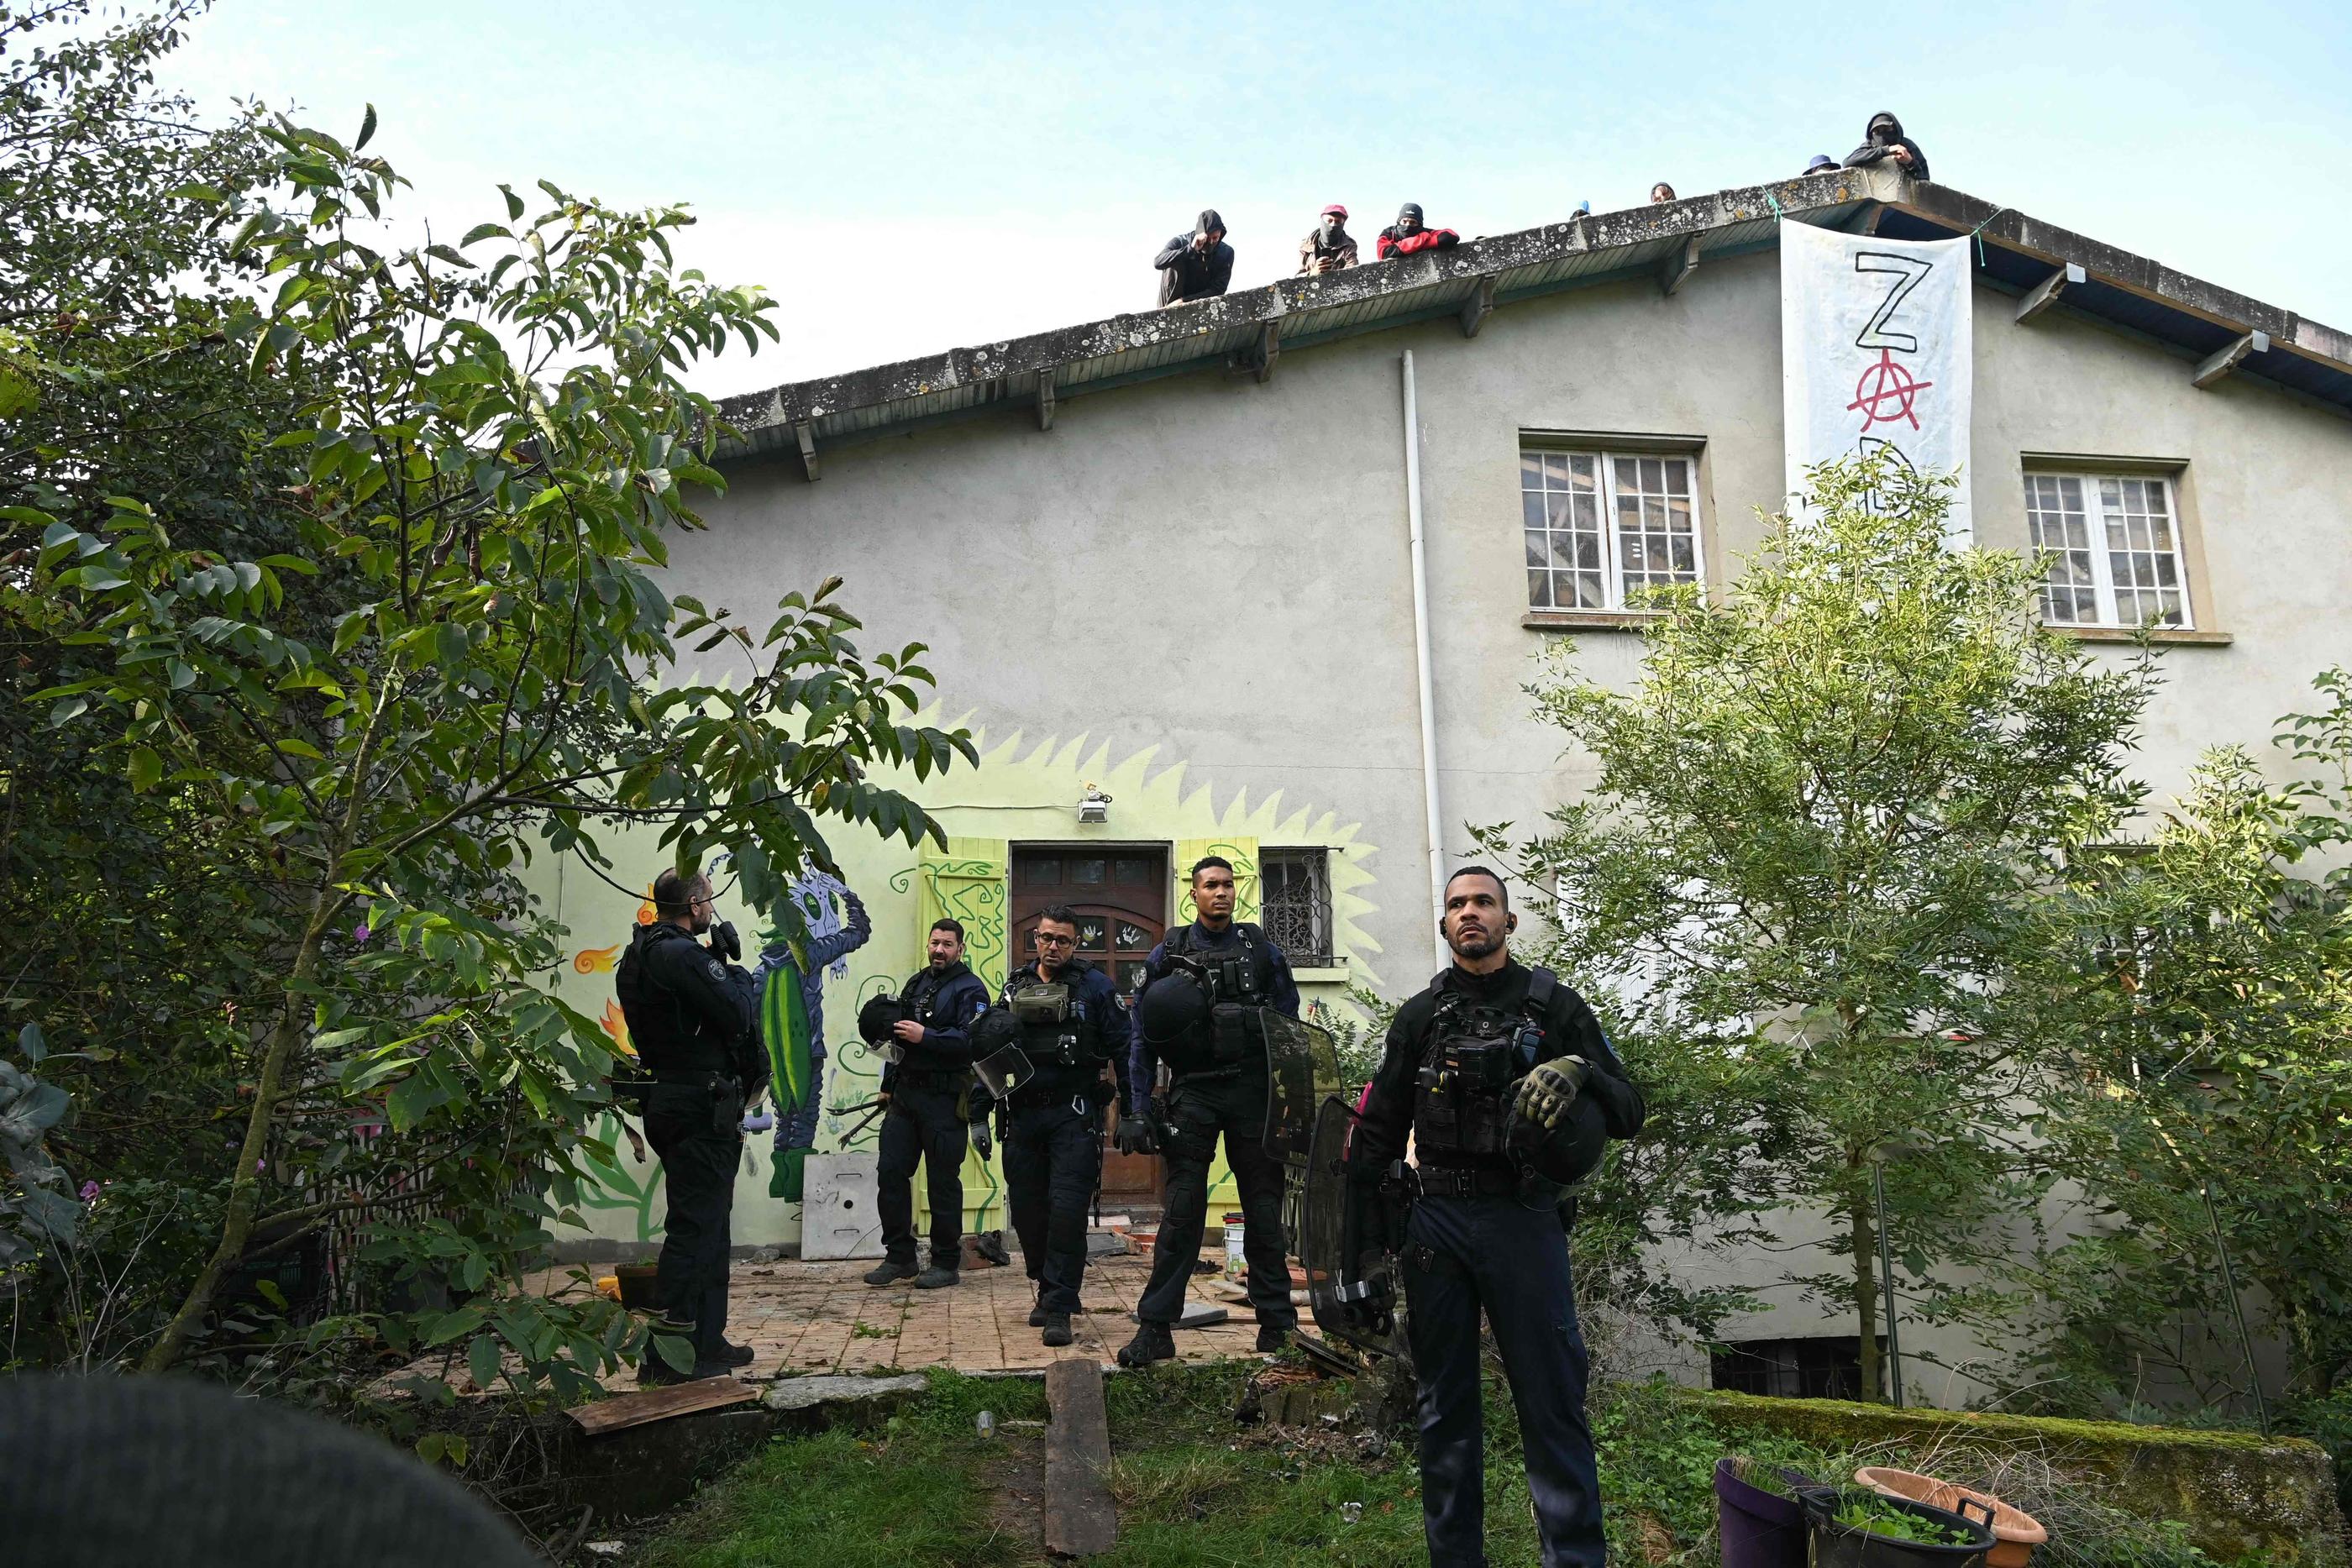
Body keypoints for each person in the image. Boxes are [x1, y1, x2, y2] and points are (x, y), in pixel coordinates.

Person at [1346, 866, 1646, 1568]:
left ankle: (1574, 1558)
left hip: (1522, 1219)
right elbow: (1377, 1136)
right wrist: (1359, 1256)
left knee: (1552, 1402)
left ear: (1509, 921)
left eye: (1483, 902)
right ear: (1444, 924)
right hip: (1437, 1223)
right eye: (1456, 904)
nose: (1469, 912)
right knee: (1444, 1412)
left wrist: (1579, 1067)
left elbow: (1629, 1108)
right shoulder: (1420, 1016)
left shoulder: (1555, 1006)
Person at [1117, 856, 1301, 1366]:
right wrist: (1136, 1107)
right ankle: (1156, 1328)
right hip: (1193, 1094)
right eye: (1209, 885)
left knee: (1264, 1211)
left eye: (1227, 884)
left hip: (1251, 1093)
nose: (1220, 893)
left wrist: (1289, 1104)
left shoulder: (1261, 950)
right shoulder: (1168, 953)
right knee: (1181, 1212)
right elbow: (1142, 1037)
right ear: (1193, 893)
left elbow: (1290, 1027)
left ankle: (1277, 1327)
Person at [613, 868, 767, 1383]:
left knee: (709, 1225)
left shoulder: (642, 954)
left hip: (677, 1097)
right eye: (709, 901)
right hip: (696, 1104)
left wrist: (717, 962)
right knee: (694, 1229)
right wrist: (735, 972)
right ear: (697, 903)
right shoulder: (679, 954)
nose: (711, 911)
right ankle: (670, 1359)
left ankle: (706, 1341)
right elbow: (739, 1012)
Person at [989, 905, 1127, 1346]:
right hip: (1023, 1115)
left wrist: (1133, 1111)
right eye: (1046, 938)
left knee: (1067, 1212)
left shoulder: (1096, 987)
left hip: (1074, 1114)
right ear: (1035, 938)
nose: (1053, 947)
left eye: (1063, 940)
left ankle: (1061, 1305)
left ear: (1075, 944)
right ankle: (1047, 1287)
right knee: (1029, 1212)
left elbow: (1125, 1049)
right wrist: (977, 1110)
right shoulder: (1015, 986)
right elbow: (988, 1051)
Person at [864, 917, 992, 1291]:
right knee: (890, 1173)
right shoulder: (917, 983)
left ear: (960, 949)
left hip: (944, 1099)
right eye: (935, 943)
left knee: (941, 1183)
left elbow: (973, 1040)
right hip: (905, 1096)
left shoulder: (971, 989)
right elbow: (896, 1040)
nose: (939, 949)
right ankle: (899, 1257)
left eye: (947, 944)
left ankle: (946, 1262)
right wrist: (887, 1086)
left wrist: (928, 1036)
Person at [752, 874, 870, 1201]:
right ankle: (797, 1188)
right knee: (804, 1120)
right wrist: (850, 899)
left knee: (785, 1117)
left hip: (775, 1063)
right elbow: (858, 934)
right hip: (808, 1055)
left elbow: (752, 1021)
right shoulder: (809, 956)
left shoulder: (760, 973)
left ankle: (781, 1182)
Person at [1154, 209, 1234, 307]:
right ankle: (1167, 310)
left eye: (1215, 238)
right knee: (1174, 258)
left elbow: (1218, 289)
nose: (1211, 242)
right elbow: (1158, 262)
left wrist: (1183, 301)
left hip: (1198, 302)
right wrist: (1190, 249)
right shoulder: (1180, 242)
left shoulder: (1226, 253)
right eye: (1208, 238)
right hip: (1169, 303)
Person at [1843, 110, 1930, 181]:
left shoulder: (1908, 146)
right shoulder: (1869, 146)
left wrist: (1910, 162)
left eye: (1886, 129)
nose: (1882, 135)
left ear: (1895, 129)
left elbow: (1924, 179)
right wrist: (1886, 150)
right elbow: (1848, 162)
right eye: (1877, 131)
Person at [1375, 202, 1460, 260]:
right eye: (1404, 221)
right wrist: (1421, 240)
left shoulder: (1426, 232)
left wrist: (1406, 248)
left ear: (1419, 224)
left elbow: (1451, 236)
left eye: (1413, 222)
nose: (1408, 225)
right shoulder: (1389, 233)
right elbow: (1384, 253)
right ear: (1399, 221)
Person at [1297, 203, 1357, 275]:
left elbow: (1352, 273)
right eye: (1329, 220)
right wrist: (1313, 272)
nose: (1333, 225)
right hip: (1313, 285)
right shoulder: (1306, 245)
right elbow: (1298, 276)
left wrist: (1330, 274)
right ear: (1322, 220)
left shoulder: (1349, 246)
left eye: (1338, 222)